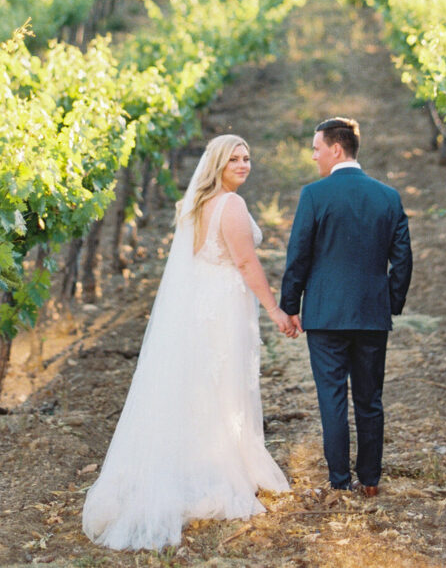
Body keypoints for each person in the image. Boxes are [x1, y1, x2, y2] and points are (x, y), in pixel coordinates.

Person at [82, 134, 296, 549]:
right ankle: (219, 468)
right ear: (216, 164)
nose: (243, 164)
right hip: (223, 308)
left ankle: (208, 457)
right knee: (223, 384)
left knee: (202, 385)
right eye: (234, 159)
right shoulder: (231, 205)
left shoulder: (196, 205)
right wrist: (274, 310)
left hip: (202, 304)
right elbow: (247, 262)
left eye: (247, 158)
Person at [278, 116, 412, 496]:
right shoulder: (388, 196)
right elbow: (402, 259)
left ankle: (340, 482)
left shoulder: (314, 196)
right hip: (371, 313)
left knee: (332, 398)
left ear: (336, 149)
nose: (314, 157)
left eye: (316, 149)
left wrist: (290, 305)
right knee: (369, 398)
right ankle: (370, 480)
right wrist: (391, 302)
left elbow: (298, 256)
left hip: (324, 315)